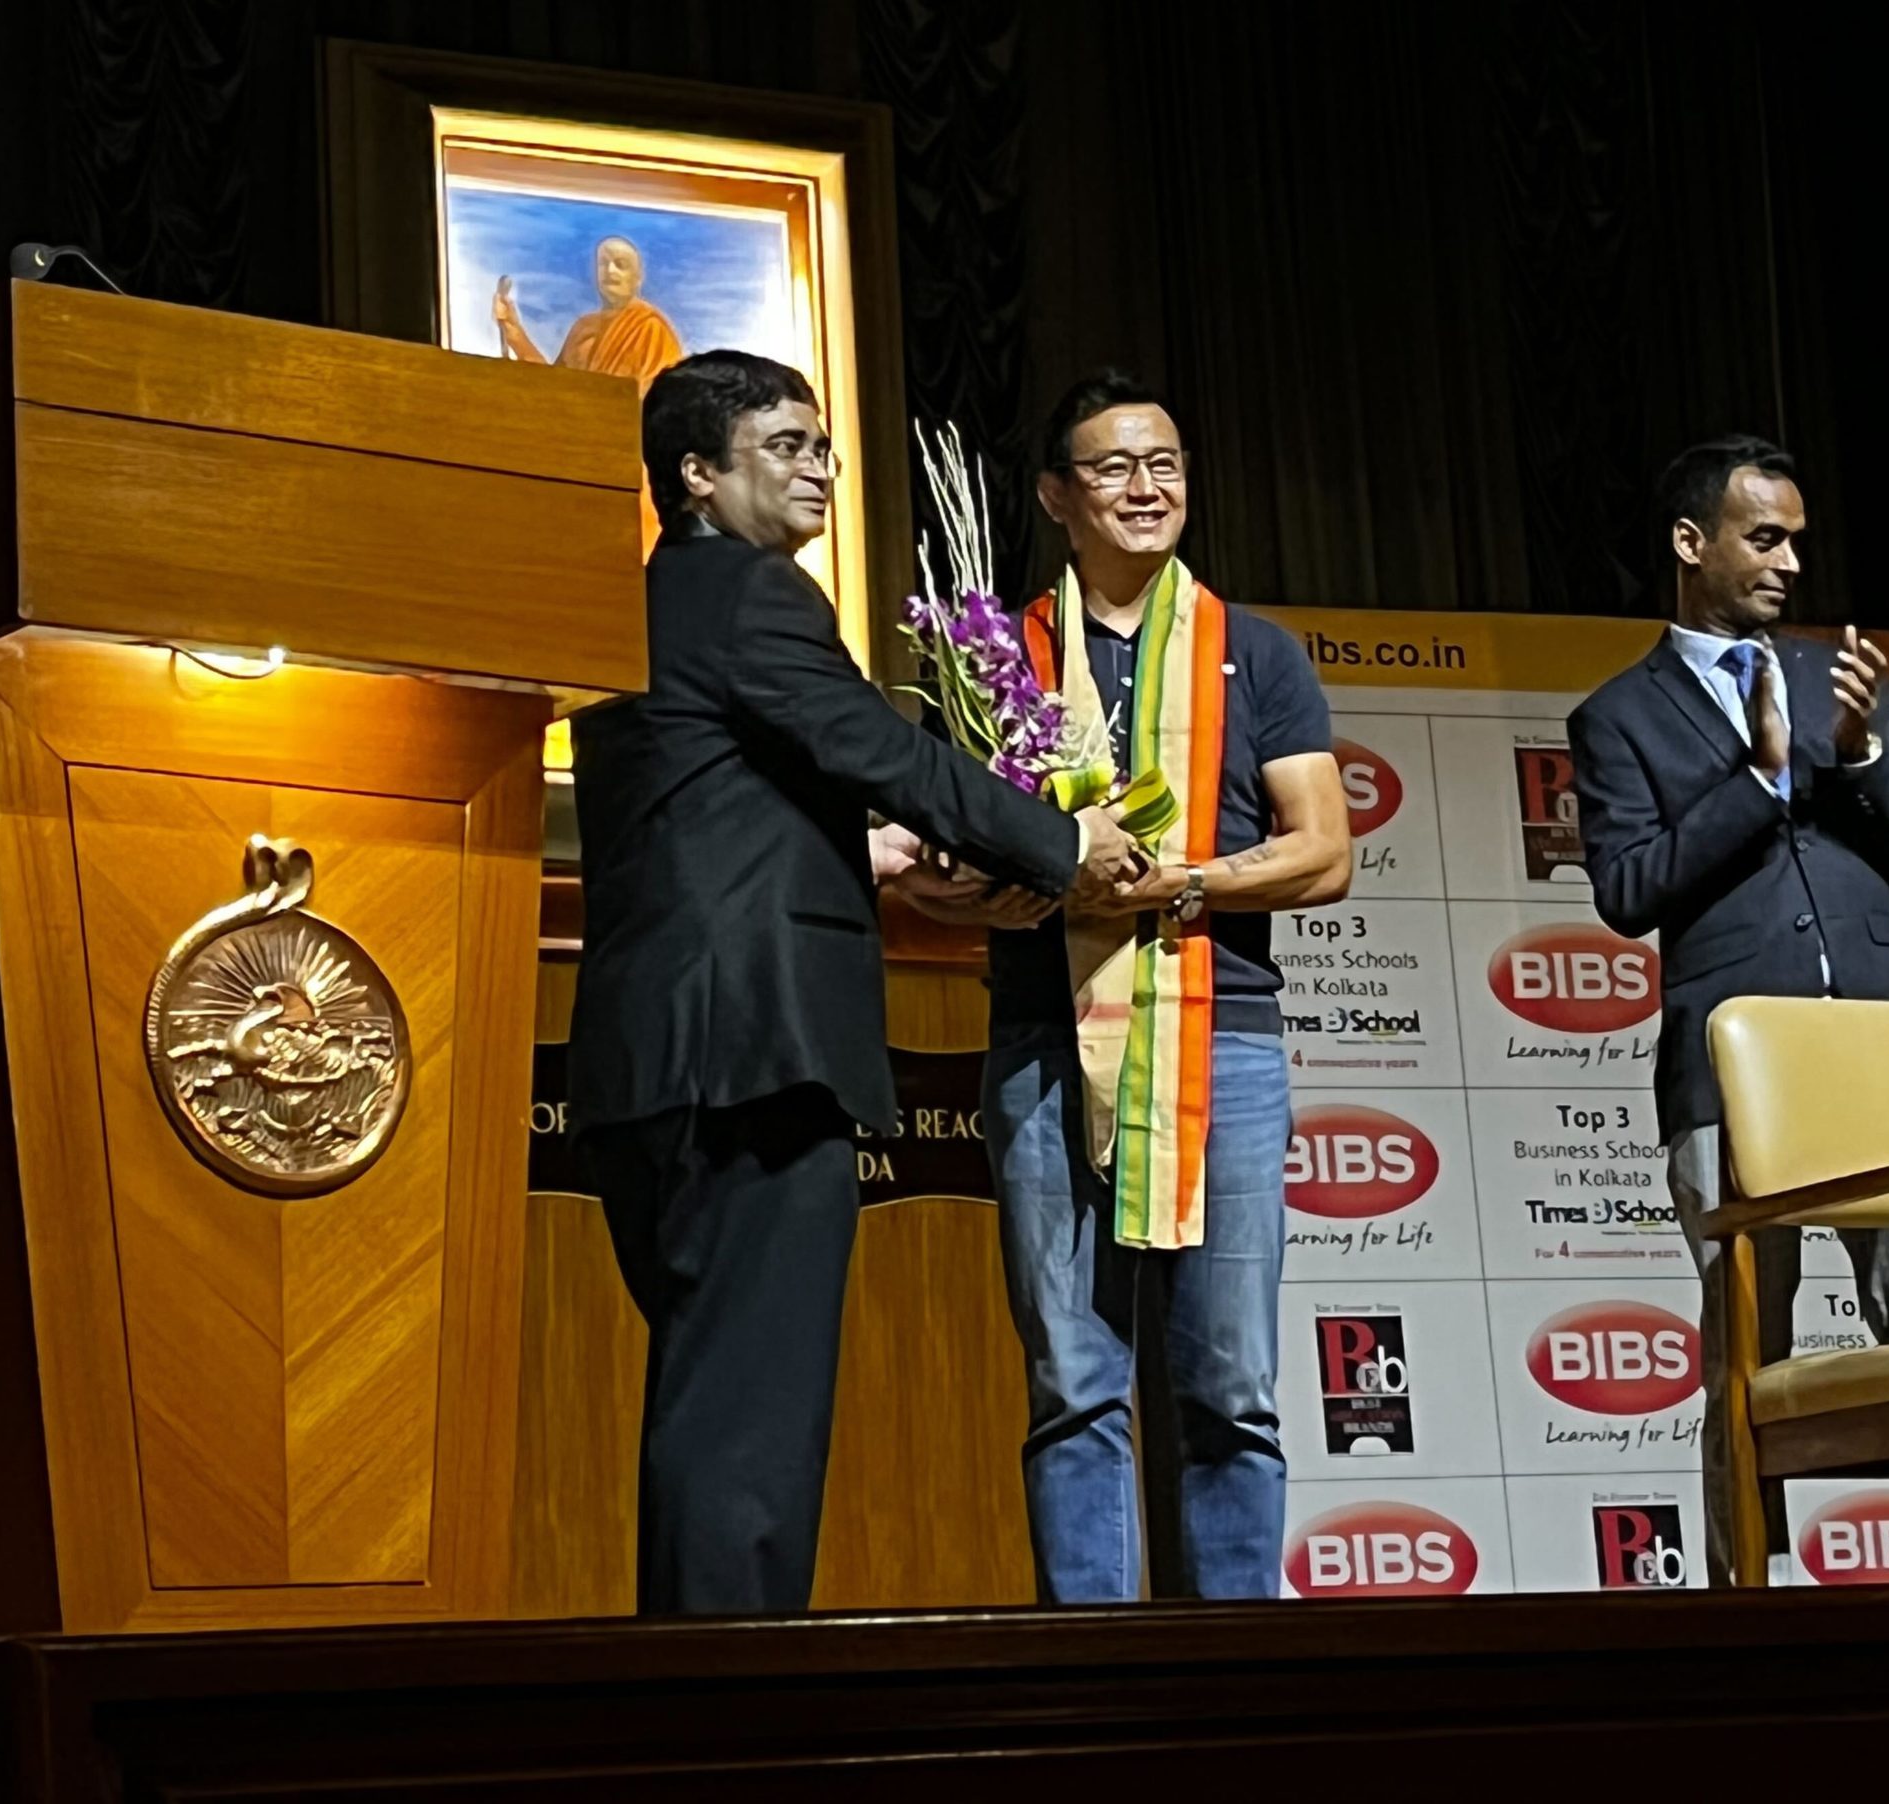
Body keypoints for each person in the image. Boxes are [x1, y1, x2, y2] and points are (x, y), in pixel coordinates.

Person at [567, 349, 1141, 1616]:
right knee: (750, 1427)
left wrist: (855, 845)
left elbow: (700, 810)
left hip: (649, 1067)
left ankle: (689, 1700)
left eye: (822, 443)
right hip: (752, 1060)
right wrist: (1061, 844)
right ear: (697, 475)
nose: (818, 465)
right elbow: (878, 746)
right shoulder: (751, 595)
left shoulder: (631, 607)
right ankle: (734, 1726)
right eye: (784, 444)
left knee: (707, 1403)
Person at [897, 372, 1349, 1601]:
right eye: (1112, 467)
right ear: (1055, 495)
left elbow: (1323, 847)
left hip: (1224, 1041)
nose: (1146, 488)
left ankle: (1239, 1675)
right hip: (1045, 1036)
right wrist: (1005, 888)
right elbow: (932, 863)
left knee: (1231, 1387)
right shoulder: (993, 661)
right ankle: (1092, 1666)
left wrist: (1176, 884)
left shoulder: (1251, 653)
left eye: (1165, 463)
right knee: (1071, 1383)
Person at [1566, 434, 1889, 1586]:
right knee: (1747, 1347)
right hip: (1732, 1075)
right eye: (1762, 536)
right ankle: (1749, 1604)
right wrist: (1756, 783)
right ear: (1690, 543)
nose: (1788, 561)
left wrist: (1861, 751)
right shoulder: (1616, 716)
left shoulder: (1837, 679)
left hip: (1881, 1055)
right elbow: (1627, 891)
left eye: (1795, 538)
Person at [495, 235, 684, 553]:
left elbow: (652, 407)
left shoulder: (651, 329)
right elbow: (555, 390)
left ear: (637, 277)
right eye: (603, 263)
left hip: (628, 471)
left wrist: (592, 417)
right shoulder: (583, 328)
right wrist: (513, 332)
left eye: (620, 265)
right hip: (581, 465)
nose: (610, 271)